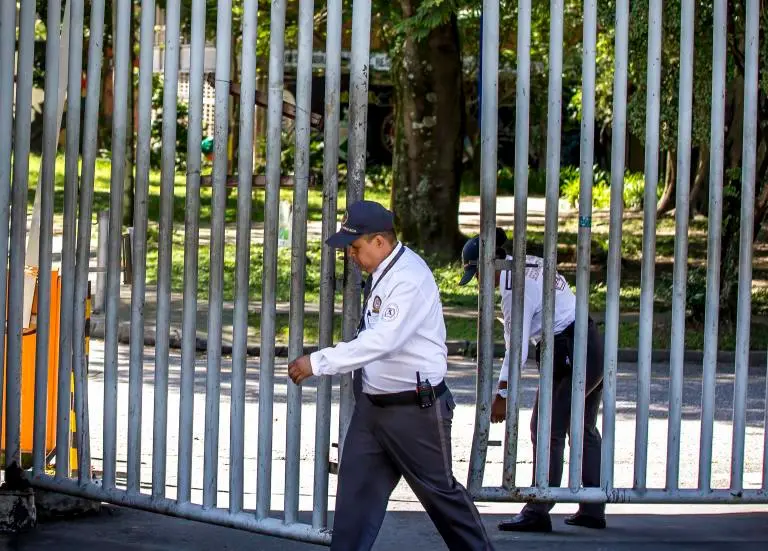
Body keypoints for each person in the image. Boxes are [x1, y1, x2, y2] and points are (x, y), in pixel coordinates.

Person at [288, 200, 494, 551]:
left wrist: (317, 362)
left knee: (443, 500)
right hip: (373, 410)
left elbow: (381, 341)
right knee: (355, 501)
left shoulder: (408, 278)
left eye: (356, 247)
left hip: (415, 411)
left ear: (380, 242)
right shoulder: (383, 271)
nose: (351, 255)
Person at [458, 228, 606, 533]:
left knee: (546, 428)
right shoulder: (528, 262)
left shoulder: (514, 288)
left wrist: (502, 393)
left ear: (490, 266)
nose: (478, 283)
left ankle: (538, 508)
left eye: (477, 275)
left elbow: (517, 347)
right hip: (590, 345)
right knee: (584, 428)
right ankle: (592, 506)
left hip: (569, 352)